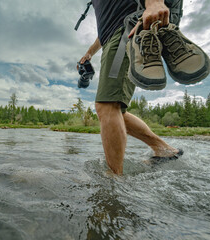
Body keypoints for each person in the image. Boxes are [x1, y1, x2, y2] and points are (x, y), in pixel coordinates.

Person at [78, 0, 183, 175]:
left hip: (125, 33)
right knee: (116, 111)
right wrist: (89, 52)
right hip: (113, 38)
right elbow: (103, 31)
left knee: (107, 105)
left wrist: (154, 3)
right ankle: (164, 150)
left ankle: (113, 181)